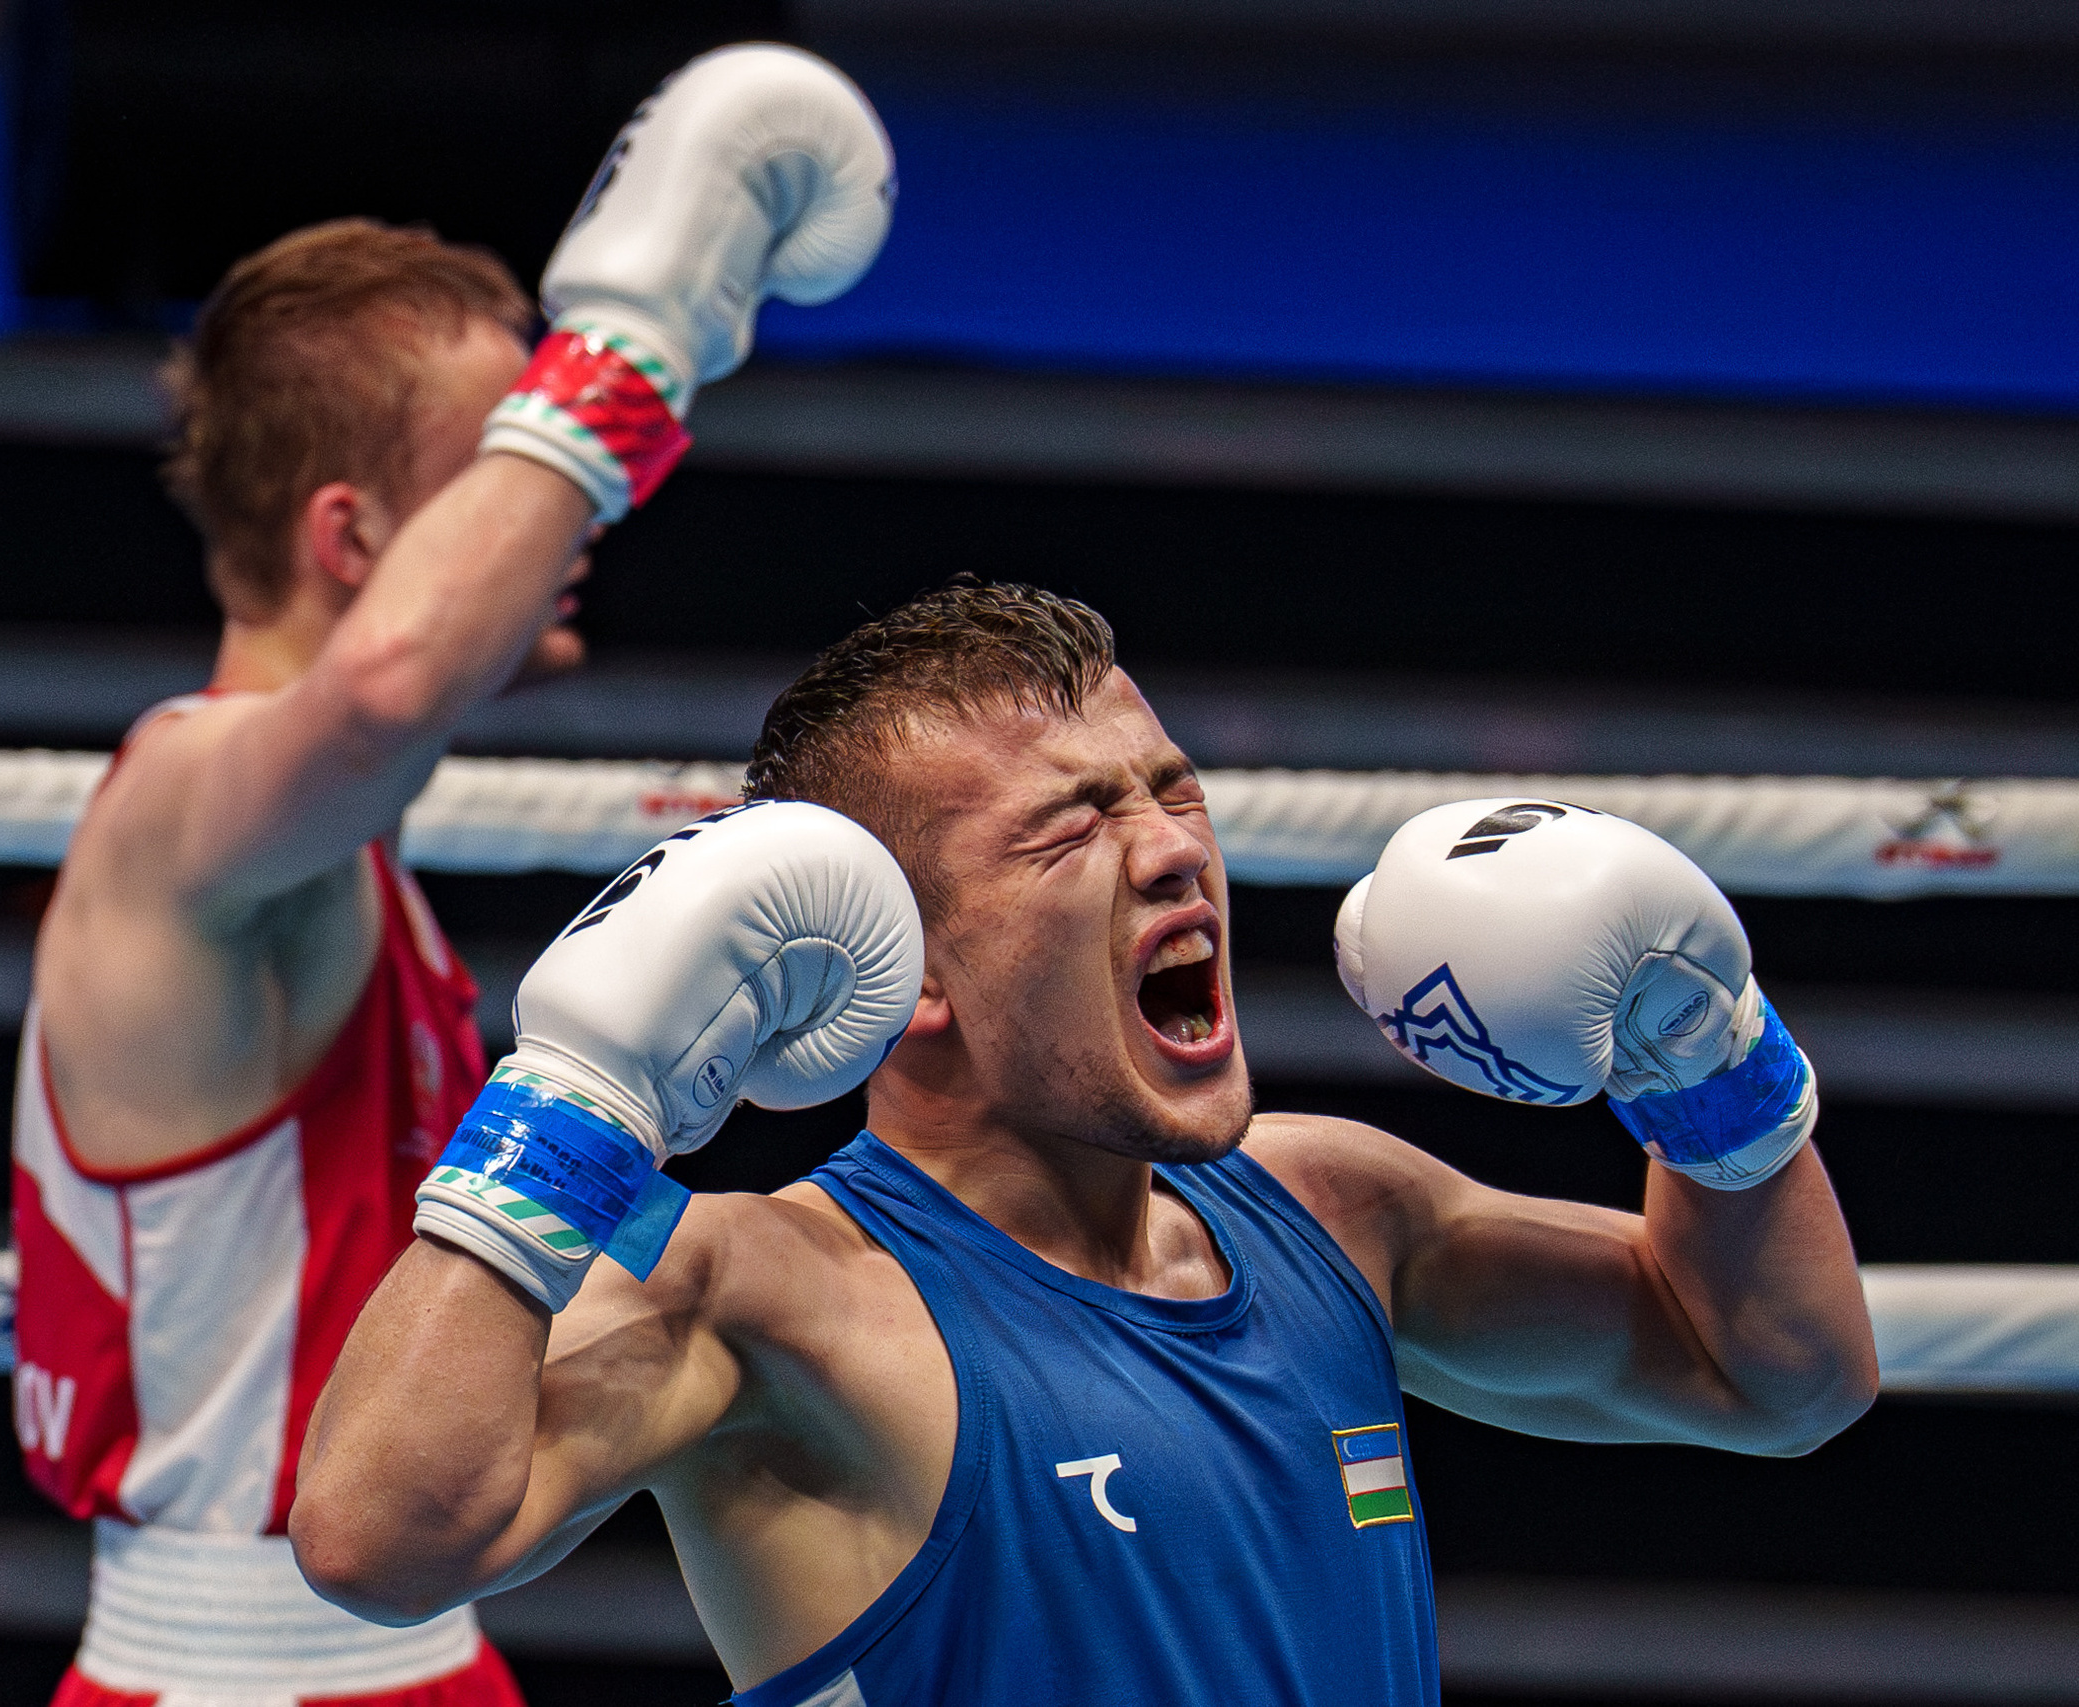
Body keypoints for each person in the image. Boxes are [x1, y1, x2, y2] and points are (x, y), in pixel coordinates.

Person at [290, 581, 1881, 1706]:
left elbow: (1779, 1377)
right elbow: (376, 1540)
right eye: (1075, 824)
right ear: (907, 970)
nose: (1173, 850)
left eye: (1172, 790)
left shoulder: (1334, 1207)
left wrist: (1706, 1055)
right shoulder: (773, 1293)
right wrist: (574, 1106)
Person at [7, 43, 895, 1707]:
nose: (568, 515)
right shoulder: (182, 808)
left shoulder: (336, 862)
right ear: (353, 540)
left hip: (413, 1643)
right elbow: (388, 688)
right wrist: (634, 349)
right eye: (500, 467)